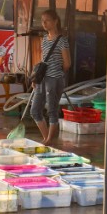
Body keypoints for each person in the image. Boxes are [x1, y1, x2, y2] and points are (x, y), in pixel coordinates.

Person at [29, 8, 70, 146]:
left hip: (54, 79)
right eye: (42, 21)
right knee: (35, 110)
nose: (44, 23)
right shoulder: (45, 40)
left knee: (52, 110)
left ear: (55, 21)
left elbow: (67, 63)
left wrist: (56, 72)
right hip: (43, 78)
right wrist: (36, 78)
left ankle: (48, 140)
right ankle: (48, 139)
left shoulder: (62, 40)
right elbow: (43, 61)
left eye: (47, 21)